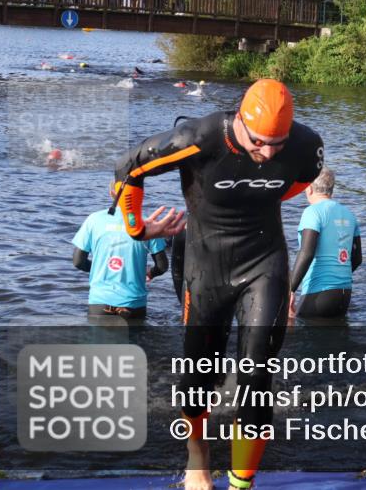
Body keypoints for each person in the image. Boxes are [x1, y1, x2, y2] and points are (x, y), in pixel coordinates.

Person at [112, 79, 324, 490]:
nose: (268, 153)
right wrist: (137, 229)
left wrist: (257, 194)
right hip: (205, 265)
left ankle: (242, 483)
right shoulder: (200, 137)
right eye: (260, 142)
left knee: (258, 373)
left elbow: (299, 180)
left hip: (264, 260)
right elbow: (128, 167)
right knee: (197, 375)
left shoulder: (305, 145)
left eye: (277, 144)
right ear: (241, 121)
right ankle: (198, 457)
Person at [72, 181, 170, 320]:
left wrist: (99, 269)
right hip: (134, 305)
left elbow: (78, 262)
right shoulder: (146, 222)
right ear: (137, 194)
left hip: (99, 304)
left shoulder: (93, 220)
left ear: (111, 193)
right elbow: (162, 266)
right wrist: (150, 274)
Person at [288, 167, 362, 320]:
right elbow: (357, 259)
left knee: (292, 326)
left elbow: (307, 253)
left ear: (308, 188)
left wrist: (290, 290)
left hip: (318, 295)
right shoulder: (350, 214)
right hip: (344, 295)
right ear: (331, 190)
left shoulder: (312, 212)